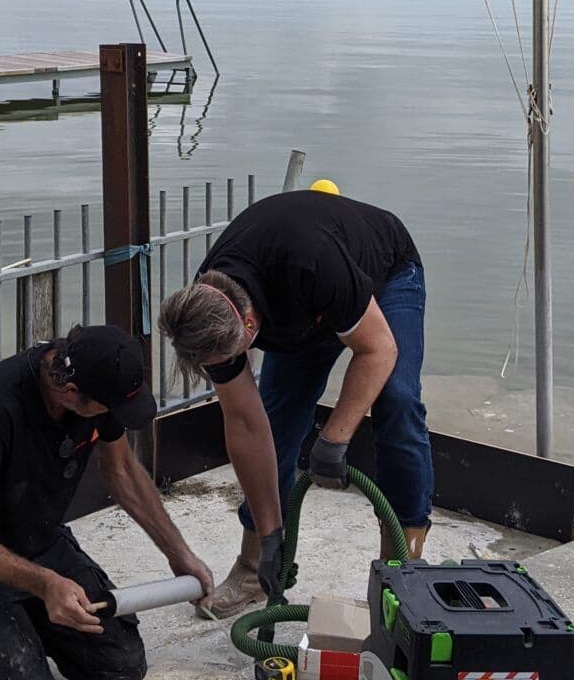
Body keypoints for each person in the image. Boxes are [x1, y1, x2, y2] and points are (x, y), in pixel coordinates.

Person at [0, 323, 214, 680]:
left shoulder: (96, 385)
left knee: (121, 667)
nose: (113, 420)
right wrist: (47, 584)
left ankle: (29, 615)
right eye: (107, 410)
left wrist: (178, 553)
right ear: (70, 393)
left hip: (39, 539)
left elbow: (121, 469)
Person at [158, 189, 432, 616]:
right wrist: (271, 536)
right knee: (276, 417)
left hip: (384, 273)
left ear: (249, 326)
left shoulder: (312, 262)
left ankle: (403, 569)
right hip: (302, 309)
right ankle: (253, 568)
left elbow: (378, 350)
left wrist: (335, 438)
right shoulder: (206, 316)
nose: (225, 367)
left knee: (397, 402)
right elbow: (247, 426)